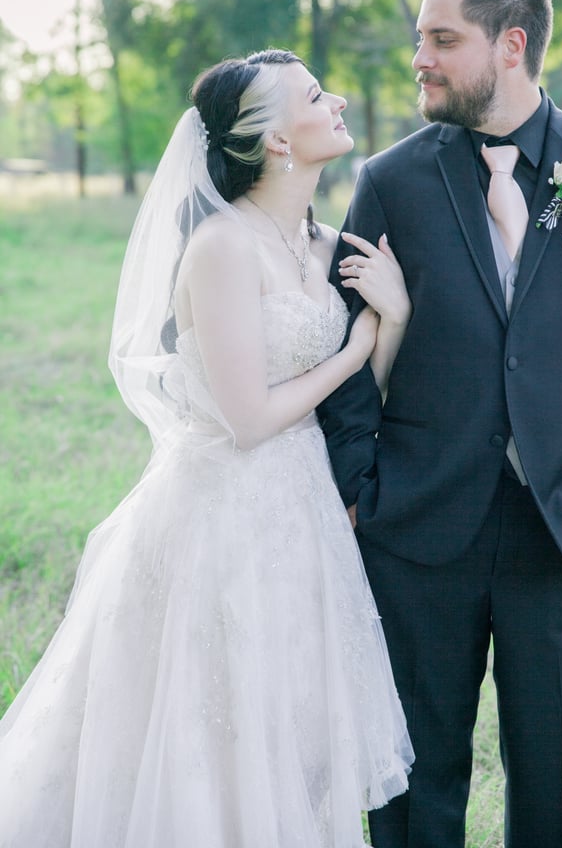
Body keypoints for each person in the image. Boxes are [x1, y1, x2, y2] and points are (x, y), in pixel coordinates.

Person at [0, 49, 414, 847]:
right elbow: (248, 418)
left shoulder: (329, 245)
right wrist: (355, 349)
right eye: (315, 96)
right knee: (205, 727)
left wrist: (388, 321)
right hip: (221, 511)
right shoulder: (221, 247)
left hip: (304, 509)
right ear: (276, 142)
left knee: (286, 721)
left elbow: (360, 399)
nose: (339, 102)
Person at [318, 0, 562, 848]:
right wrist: (362, 486)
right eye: (418, 40)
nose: (421, 59)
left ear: (510, 44)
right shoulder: (390, 178)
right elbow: (347, 344)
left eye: (442, 39)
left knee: (558, 787)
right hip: (415, 524)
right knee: (409, 780)